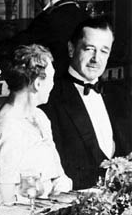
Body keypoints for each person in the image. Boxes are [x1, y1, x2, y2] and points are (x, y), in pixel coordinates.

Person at [42, 19, 132, 189]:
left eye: (104, 51)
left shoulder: (120, 96)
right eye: (89, 49)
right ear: (71, 49)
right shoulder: (51, 99)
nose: (96, 59)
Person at [0, 44, 72, 204]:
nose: (52, 85)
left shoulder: (40, 117)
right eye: (51, 79)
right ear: (37, 83)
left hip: (51, 208)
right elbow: (4, 198)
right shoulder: (5, 127)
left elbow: (58, 175)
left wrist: (61, 195)